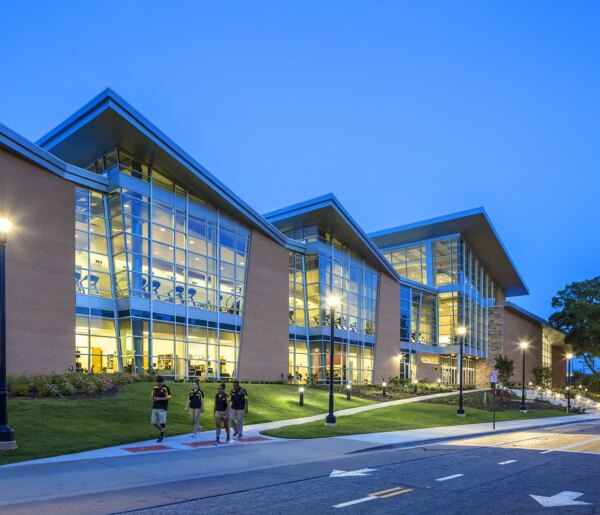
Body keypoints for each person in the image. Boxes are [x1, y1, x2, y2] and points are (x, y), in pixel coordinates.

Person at [150, 375, 171, 442]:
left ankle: (161, 436)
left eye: (160, 382)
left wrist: (159, 398)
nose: (159, 384)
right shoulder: (154, 388)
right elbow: (152, 396)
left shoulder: (166, 388)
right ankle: (164, 430)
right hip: (155, 407)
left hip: (162, 408)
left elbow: (169, 397)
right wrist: (153, 398)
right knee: (154, 422)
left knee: (162, 423)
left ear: (162, 382)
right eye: (158, 382)